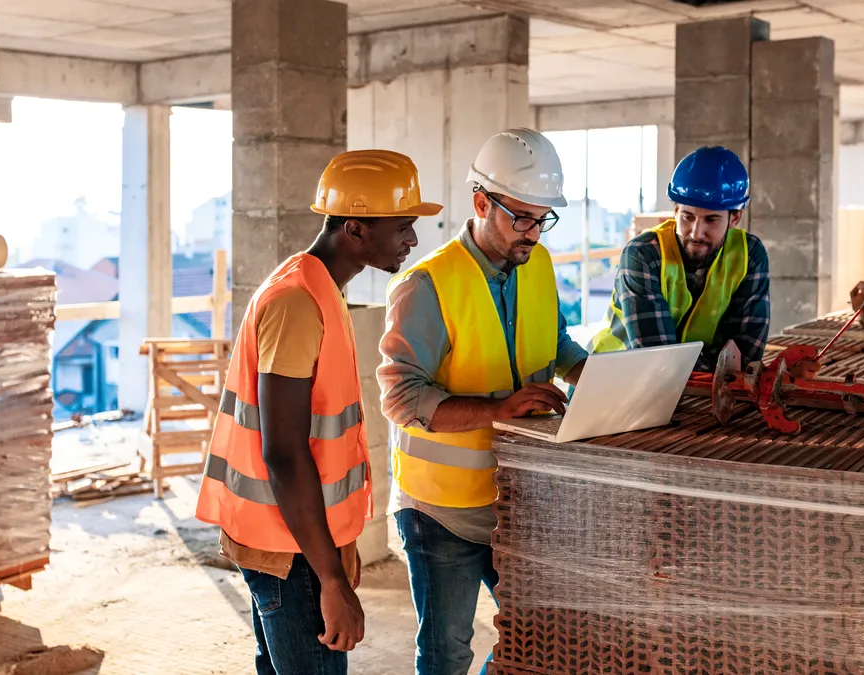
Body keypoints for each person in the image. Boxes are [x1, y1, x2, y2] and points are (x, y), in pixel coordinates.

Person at [195, 149, 442, 675]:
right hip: (291, 550)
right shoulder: (297, 303)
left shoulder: (318, 289)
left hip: (299, 537)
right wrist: (330, 579)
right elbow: (283, 453)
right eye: (402, 227)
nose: (412, 240)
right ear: (354, 228)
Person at [377, 128, 589, 675]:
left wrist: (595, 376)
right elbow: (402, 398)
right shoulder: (427, 285)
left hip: (520, 499)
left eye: (544, 218)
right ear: (480, 202)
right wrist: (497, 409)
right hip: (441, 511)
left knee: (540, 636)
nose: (535, 233)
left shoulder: (536, 265)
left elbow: (556, 343)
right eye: (522, 217)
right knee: (447, 655)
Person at [589, 145, 771, 371]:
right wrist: (723, 368)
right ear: (675, 210)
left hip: (690, 391)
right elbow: (658, 360)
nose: (696, 232)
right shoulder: (643, 255)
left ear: (735, 218)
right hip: (610, 383)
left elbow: (745, 356)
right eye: (688, 217)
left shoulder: (749, 255)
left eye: (711, 220)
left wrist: (730, 368)